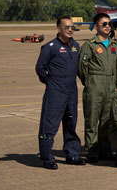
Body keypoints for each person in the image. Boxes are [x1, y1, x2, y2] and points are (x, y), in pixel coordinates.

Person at [35, 16, 85, 169]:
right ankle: (47, 157)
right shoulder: (50, 47)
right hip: (55, 92)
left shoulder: (76, 46)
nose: (70, 30)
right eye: (67, 27)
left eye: (72, 27)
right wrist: (51, 83)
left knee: (71, 123)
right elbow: (40, 68)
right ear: (58, 29)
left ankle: (73, 154)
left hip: (71, 91)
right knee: (49, 125)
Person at [78, 12, 117, 163]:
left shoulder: (115, 45)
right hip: (95, 84)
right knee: (92, 120)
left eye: (109, 24)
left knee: (106, 121)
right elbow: (82, 67)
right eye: (104, 24)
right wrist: (90, 82)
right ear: (96, 27)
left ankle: (105, 149)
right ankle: (91, 150)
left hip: (111, 85)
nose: (108, 27)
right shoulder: (89, 45)